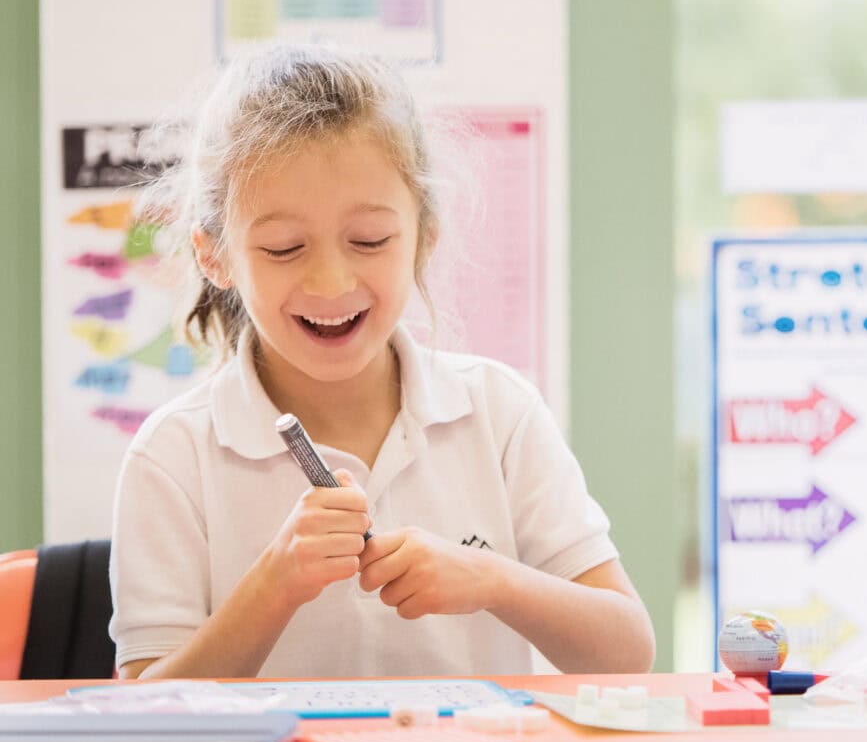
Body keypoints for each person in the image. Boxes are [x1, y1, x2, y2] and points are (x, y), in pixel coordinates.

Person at [109, 45, 654, 678]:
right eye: (284, 248)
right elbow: (143, 716)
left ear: (424, 234)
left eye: (369, 240)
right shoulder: (173, 455)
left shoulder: (498, 413)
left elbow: (628, 652)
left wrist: (491, 578)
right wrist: (275, 584)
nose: (332, 281)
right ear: (216, 257)